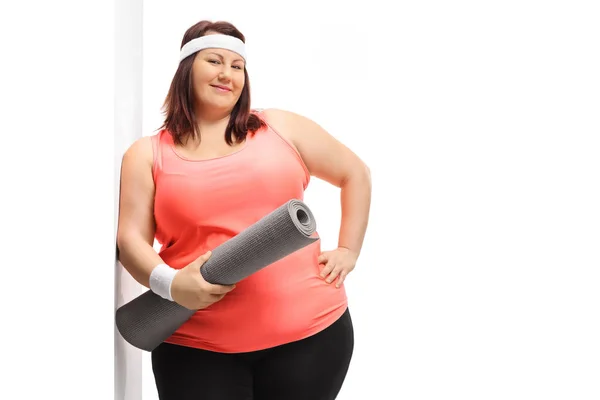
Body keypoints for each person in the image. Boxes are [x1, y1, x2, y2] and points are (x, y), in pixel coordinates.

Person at [116, 19, 371, 400]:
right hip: (196, 348)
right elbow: (130, 239)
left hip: (312, 338)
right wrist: (170, 284)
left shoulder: (280, 128)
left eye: (237, 66)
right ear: (187, 69)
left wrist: (349, 250)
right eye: (215, 61)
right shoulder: (148, 154)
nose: (227, 74)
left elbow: (355, 173)